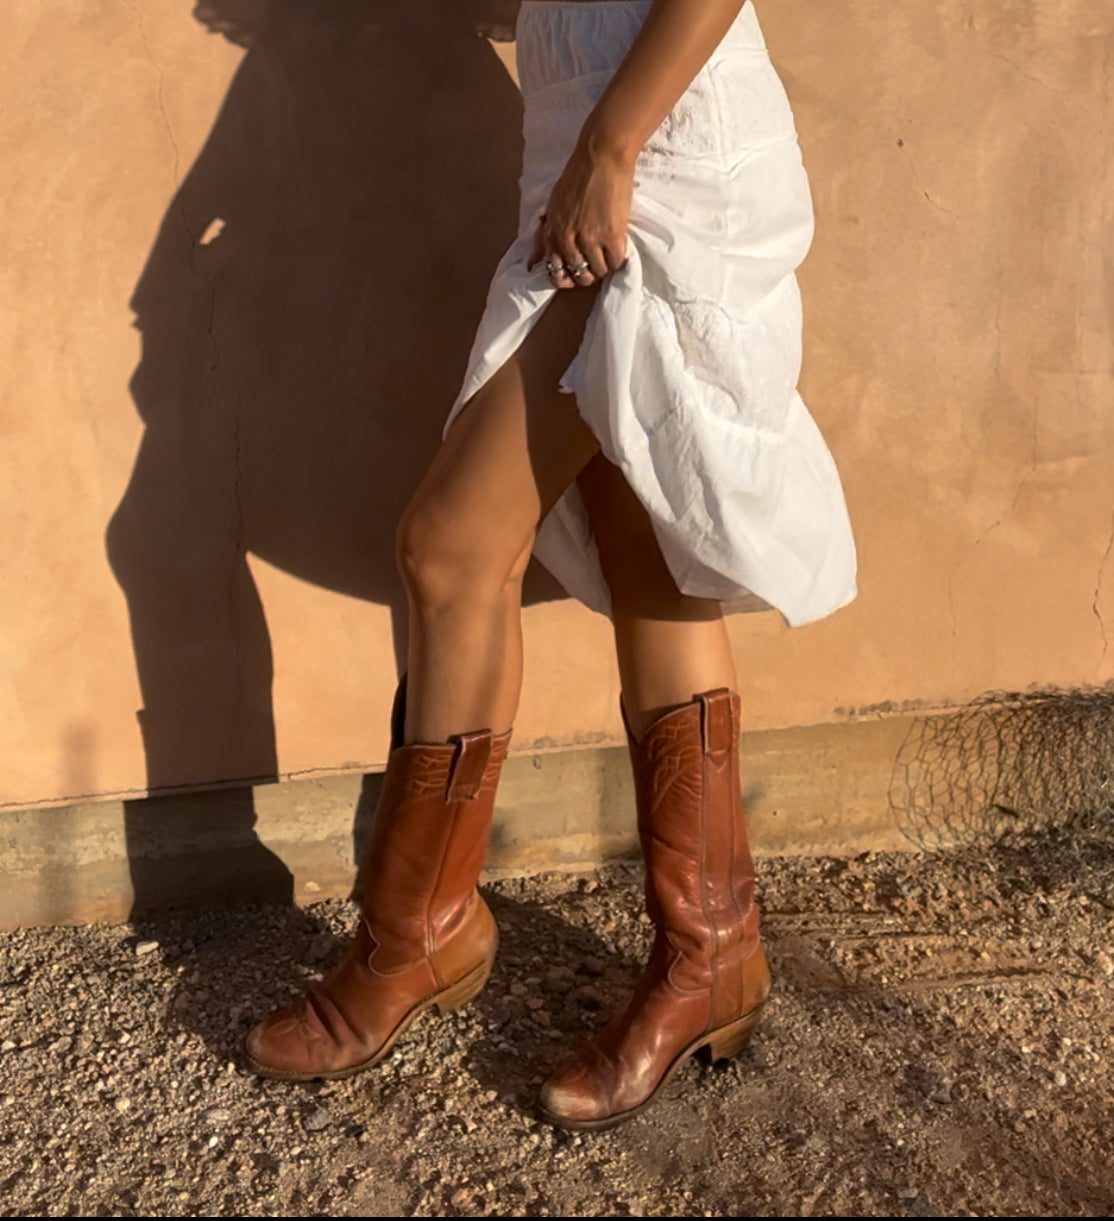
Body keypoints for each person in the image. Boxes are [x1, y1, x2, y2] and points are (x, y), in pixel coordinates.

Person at [245, 0, 856, 1131]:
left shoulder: (623, 148)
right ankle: (712, 952)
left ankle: (419, 931)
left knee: (446, 546)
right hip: (590, 143)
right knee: (645, 554)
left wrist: (609, 148)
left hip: (655, 156)